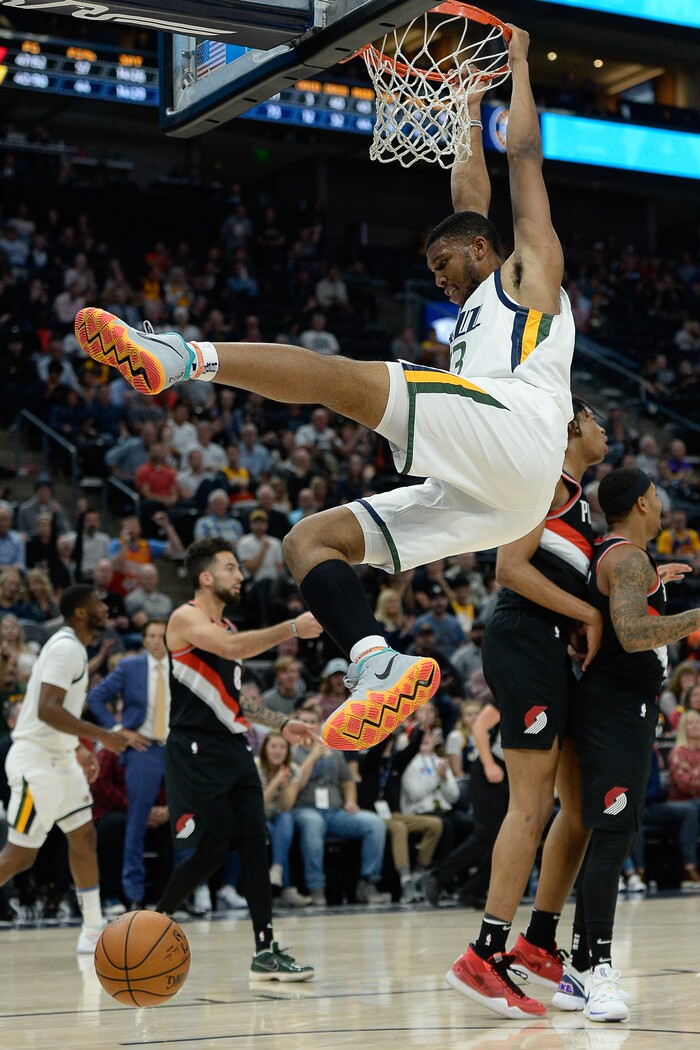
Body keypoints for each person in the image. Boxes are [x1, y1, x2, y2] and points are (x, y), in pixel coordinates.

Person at [75, 25, 575, 754]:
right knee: (309, 540)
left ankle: (180, 356)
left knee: (341, 379)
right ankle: (378, 662)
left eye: (443, 262)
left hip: (522, 433)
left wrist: (520, 67)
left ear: (481, 249)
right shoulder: (474, 288)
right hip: (504, 489)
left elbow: (522, 157)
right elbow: (468, 191)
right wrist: (467, 99)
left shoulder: (530, 271)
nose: (434, 276)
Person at [445, 397, 608, 1018]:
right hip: (521, 639)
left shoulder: (579, 500)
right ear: (572, 426)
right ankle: (483, 955)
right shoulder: (540, 476)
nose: (604, 433)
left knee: (579, 803)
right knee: (533, 803)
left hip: (548, 645)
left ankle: (538, 941)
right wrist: (586, 613)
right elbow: (509, 569)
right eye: (597, 423)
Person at [557, 468, 697, 1023]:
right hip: (617, 708)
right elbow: (635, 633)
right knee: (613, 837)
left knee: (612, 833)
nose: (663, 503)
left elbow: (629, 613)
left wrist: (653, 582)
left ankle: (576, 968)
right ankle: (598, 970)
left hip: (617, 707)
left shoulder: (622, 557)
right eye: (657, 495)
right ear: (642, 503)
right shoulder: (627, 559)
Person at [153, 537, 320, 980]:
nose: (240, 576)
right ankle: (155, 922)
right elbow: (231, 651)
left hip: (233, 746)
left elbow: (235, 699)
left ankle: (265, 950)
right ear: (206, 577)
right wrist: (291, 629)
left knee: (253, 840)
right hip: (195, 749)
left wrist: (283, 724)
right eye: (231, 568)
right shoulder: (185, 617)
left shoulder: (229, 631)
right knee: (211, 845)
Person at [0, 585, 127, 953]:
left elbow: (59, 714)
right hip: (36, 762)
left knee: (84, 837)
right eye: (99, 602)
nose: (106, 606)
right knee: (20, 856)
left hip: (59, 758)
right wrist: (104, 736)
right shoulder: (67, 647)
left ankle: (92, 929)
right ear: (82, 613)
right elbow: (47, 709)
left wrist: (78, 750)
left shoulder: (74, 647)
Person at [87, 620, 170, 909]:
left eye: (162, 636)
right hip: (143, 748)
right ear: (144, 640)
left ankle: (183, 891)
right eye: (151, 636)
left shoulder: (183, 668)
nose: (156, 641)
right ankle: (133, 894)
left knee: (187, 818)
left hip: (176, 749)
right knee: (136, 822)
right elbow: (95, 698)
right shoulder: (130, 666)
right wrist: (119, 730)